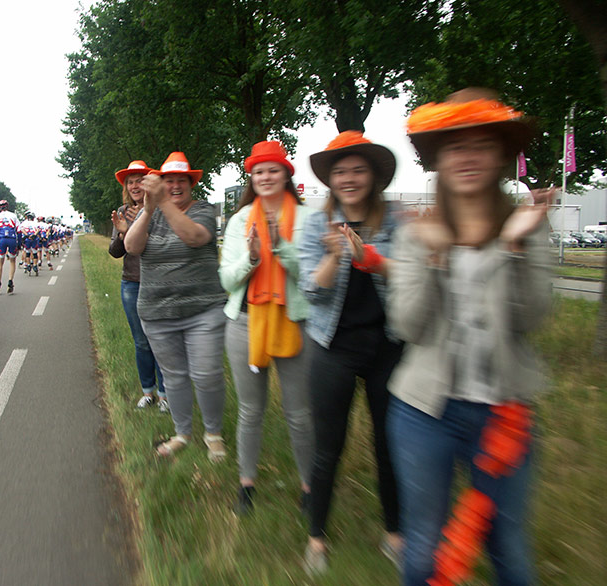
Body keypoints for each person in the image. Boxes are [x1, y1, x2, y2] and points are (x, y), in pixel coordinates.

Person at [388, 88, 552, 585]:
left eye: (481, 144)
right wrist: (436, 259)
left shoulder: (526, 226)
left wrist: (514, 246)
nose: (468, 157)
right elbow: (407, 327)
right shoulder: (417, 232)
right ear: (438, 158)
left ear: (502, 155)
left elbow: (533, 317)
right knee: (423, 551)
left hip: (504, 410)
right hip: (423, 412)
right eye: (455, 146)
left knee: (507, 548)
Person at [298, 131, 404, 573]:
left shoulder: (395, 219)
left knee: (389, 445)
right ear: (330, 179)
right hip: (332, 347)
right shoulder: (314, 224)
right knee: (328, 447)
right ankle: (317, 537)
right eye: (340, 171)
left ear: (375, 176)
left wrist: (369, 256)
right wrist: (334, 258)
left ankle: (395, 532)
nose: (349, 178)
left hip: (388, 346)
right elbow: (310, 292)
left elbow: (411, 275)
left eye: (358, 169)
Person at [219, 141, 315, 515]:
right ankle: (246, 484)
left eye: (273, 169)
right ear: (251, 178)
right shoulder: (239, 220)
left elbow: (313, 278)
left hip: (295, 320)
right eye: (258, 171)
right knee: (250, 409)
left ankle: (310, 488)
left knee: (300, 412)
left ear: (286, 174)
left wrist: (280, 248)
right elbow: (227, 280)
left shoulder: (307, 220)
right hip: (244, 323)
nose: (266, 177)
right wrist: (253, 257)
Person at [124, 152, 227, 460]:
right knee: (174, 376)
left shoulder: (204, 210)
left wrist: (164, 204)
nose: (175, 186)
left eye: (181, 180)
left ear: (191, 183)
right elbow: (131, 246)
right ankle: (182, 433)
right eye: (169, 181)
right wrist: (148, 208)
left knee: (207, 374)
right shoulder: (151, 213)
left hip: (203, 311)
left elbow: (194, 237)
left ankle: (213, 434)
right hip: (157, 313)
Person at [109, 161, 167, 412]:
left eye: (140, 180)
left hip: (158, 283)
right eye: (130, 182)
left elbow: (160, 246)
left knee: (162, 341)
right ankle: (148, 392)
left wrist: (132, 228)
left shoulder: (161, 210)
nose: (135, 185)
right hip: (131, 284)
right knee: (141, 341)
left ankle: (166, 395)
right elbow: (114, 252)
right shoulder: (121, 212)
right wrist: (123, 233)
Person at [0, 199, 19, 294]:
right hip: (12, 239)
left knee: (0, 262)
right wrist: (19, 244)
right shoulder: (13, 215)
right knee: (12, 261)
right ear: (7, 206)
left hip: (2, 239)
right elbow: (19, 230)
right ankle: (10, 281)